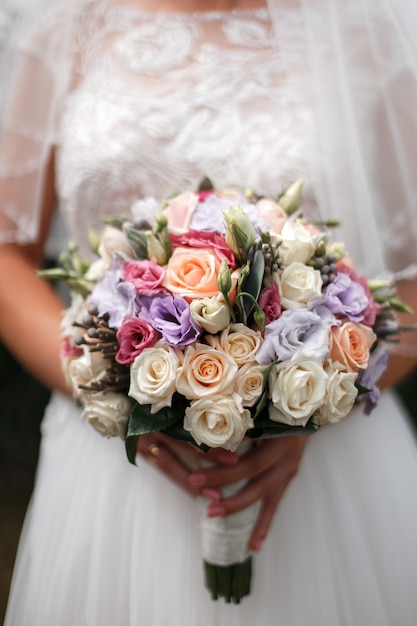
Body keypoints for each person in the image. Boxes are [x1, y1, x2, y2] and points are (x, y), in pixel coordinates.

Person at [1, 0, 417, 624]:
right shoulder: (61, 20)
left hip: (323, 469)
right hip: (113, 463)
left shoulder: (368, 30)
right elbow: (8, 249)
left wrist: (321, 402)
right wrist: (103, 382)